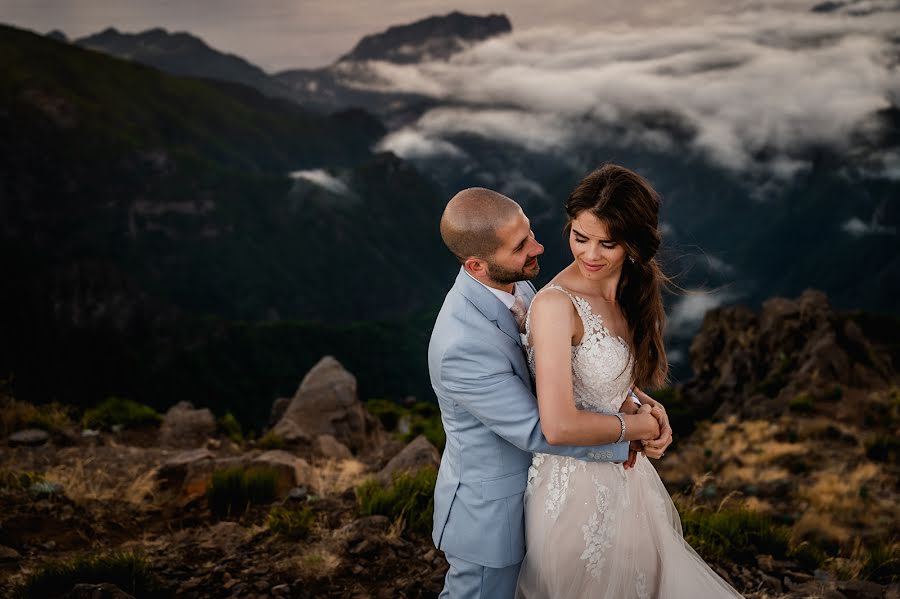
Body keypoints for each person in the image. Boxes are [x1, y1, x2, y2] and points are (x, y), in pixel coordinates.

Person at [428, 187, 672, 599]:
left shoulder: (518, 285)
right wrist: (633, 434)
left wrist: (633, 398)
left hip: (545, 495)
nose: (539, 246)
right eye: (521, 245)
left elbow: (569, 368)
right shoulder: (460, 345)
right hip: (493, 514)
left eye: (531, 232)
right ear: (477, 264)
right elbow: (541, 429)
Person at [515, 164, 743, 598]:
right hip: (574, 496)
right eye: (580, 237)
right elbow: (558, 425)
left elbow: (603, 380)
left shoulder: (630, 287)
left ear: (634, 243)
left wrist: (651, 409)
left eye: (608, 243)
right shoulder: (555, 306)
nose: (590, 255)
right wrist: (640, 428)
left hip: (629, 486)